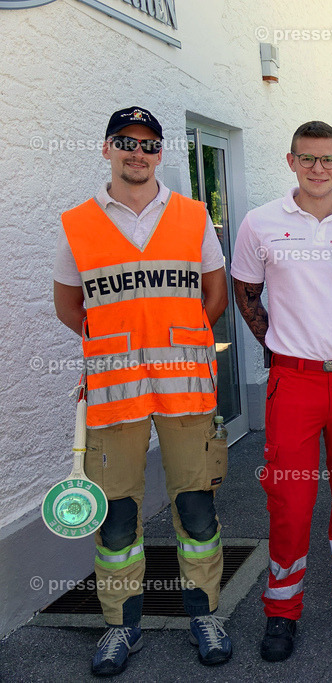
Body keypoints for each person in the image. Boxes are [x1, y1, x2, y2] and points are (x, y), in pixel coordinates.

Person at [53, 106, 232, 675]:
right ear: (107, 148)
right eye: (126, 142)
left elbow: (215, 296)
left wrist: (173, 344)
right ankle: (120, 627)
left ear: (161, 154)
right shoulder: (77, 223)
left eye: (150, 144)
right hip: (114, 395)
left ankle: (204, 615)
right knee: (116, 519)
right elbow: (69, 307)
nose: (139, 152)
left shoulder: (193, 214)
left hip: (185, 393)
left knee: (197, 511)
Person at [230, 120, 332, 662]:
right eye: (307, 158)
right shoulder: (260, 223)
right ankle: (282, 611)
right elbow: (245, 293)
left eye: (328, 159)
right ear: (291, 161)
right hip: (292, 381)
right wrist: (278, 349)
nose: (318, 168)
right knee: (290, 502)